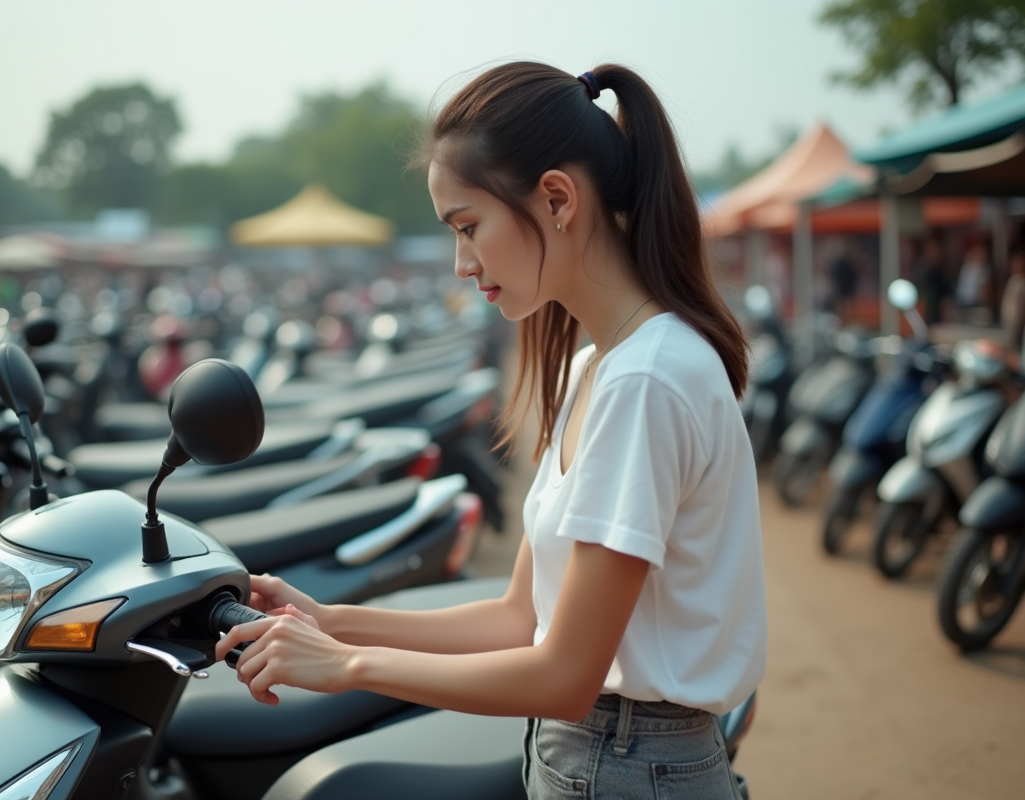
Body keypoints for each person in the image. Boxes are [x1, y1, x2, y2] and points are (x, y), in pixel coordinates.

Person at [217, 62, 766, 799]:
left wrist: (346, 666)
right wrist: (332, 621)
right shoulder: (600, 365)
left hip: (631, 765)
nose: (460, 263)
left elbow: (565, 676)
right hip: (601, 754)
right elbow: (518, 618)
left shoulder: (646, 378)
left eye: (468, 227)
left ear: (557, 199)